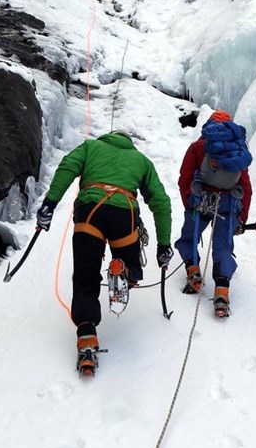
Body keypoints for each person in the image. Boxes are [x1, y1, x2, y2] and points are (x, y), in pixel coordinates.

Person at [35, 131, 173, 373]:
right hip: (124, 214)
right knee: (132, 269)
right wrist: (164, 245)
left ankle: (87, 334)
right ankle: (124, 270)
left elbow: (68, 165)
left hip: (90, 212)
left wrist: (50, 203)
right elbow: (160, 201)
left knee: (85, 275)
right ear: (128, 143)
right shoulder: (141, 160)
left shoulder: (90, 147)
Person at [174, 110, 252, 318]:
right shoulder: (237, 150)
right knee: (223, 246)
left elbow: (185, 177)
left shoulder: (198, 146)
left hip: (201, 200)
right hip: (229, 203)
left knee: (189, 238)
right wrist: (241, 217)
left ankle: (194, 273)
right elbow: (245, 185)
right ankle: (221, 293)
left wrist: (188, 203)